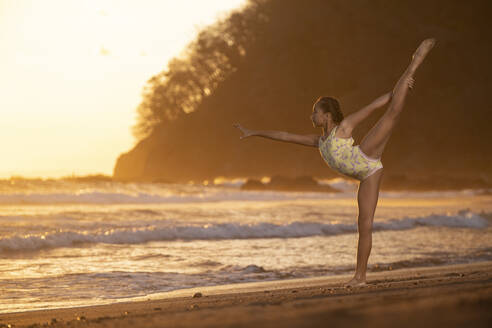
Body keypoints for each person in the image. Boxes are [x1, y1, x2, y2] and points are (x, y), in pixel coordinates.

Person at [233, 38, 436, 287]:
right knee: (365, 225)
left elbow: (374, 106)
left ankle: (414, 63)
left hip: (366, 155)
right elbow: (285, 136)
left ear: (327, 115)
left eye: (315, 112)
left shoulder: (344, 128)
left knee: (393, 113)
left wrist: (398, 91)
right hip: (369, 175)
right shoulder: (318, 142)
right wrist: (254, 132)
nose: (311, 115)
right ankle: (360, 277)